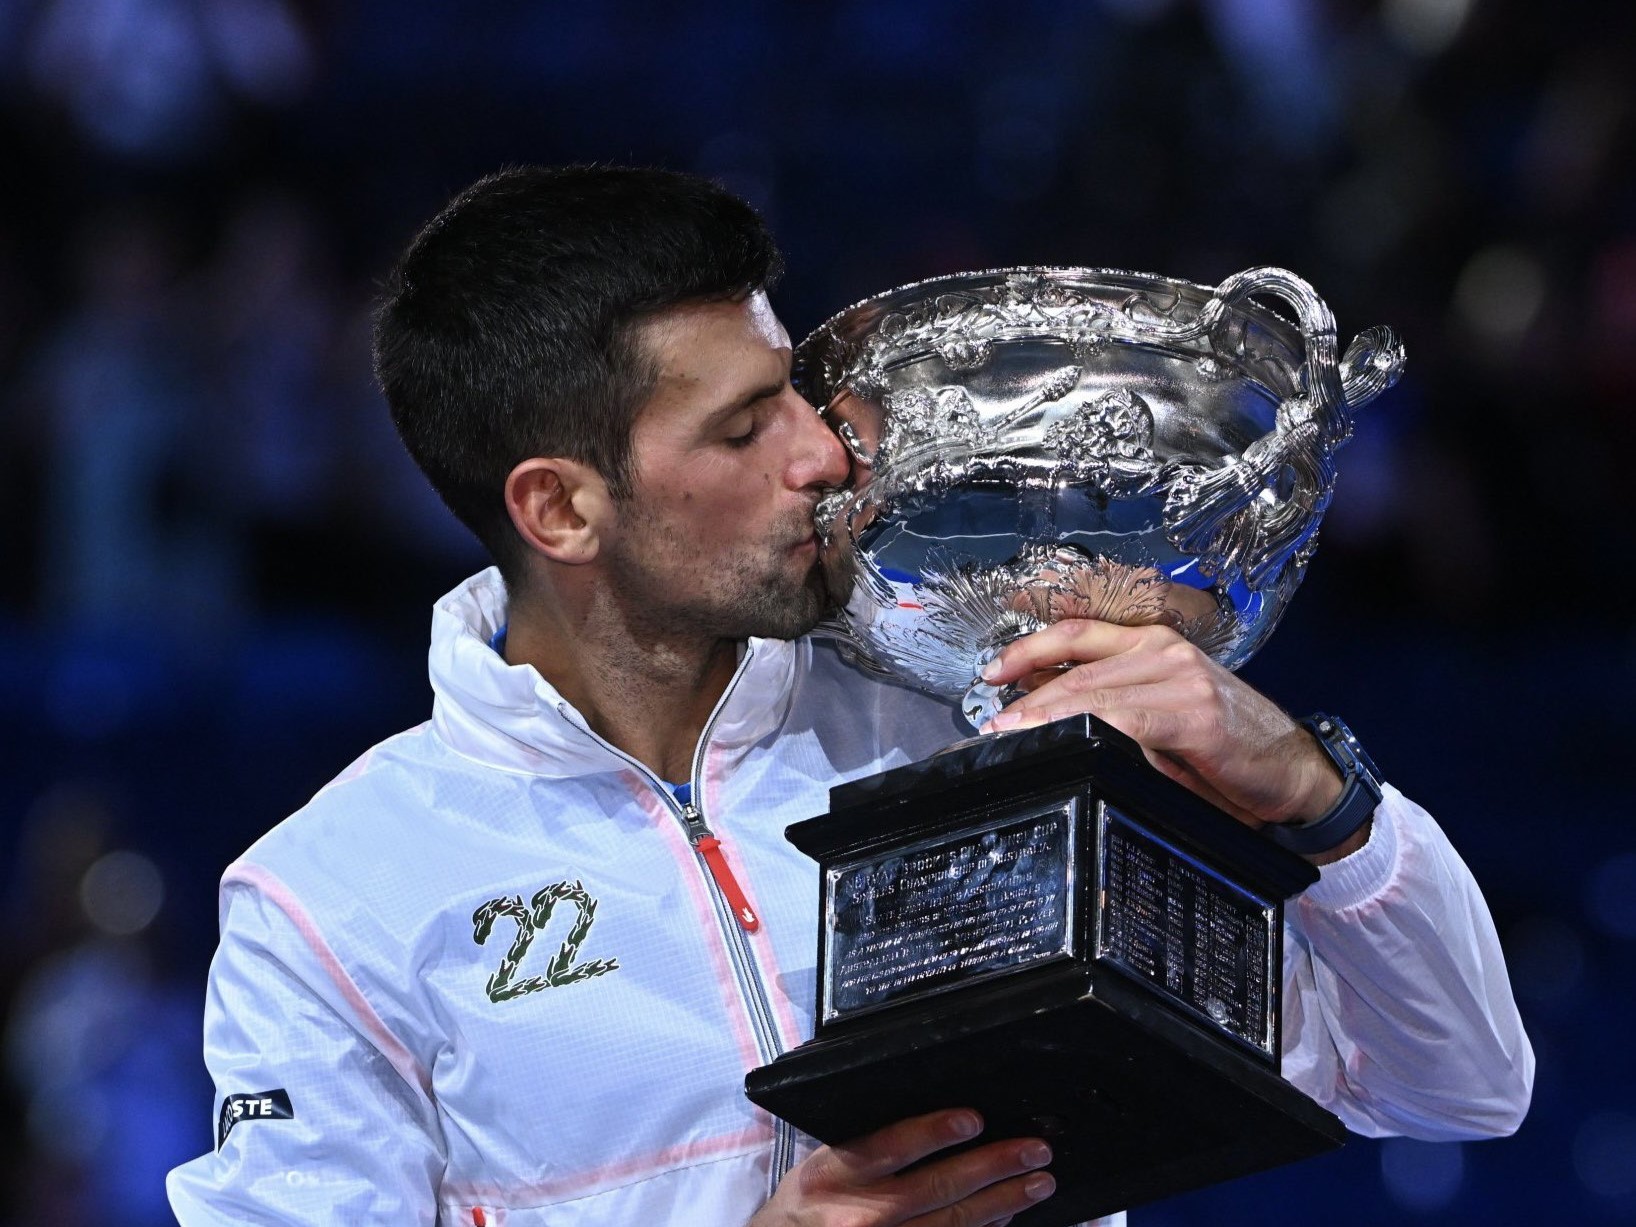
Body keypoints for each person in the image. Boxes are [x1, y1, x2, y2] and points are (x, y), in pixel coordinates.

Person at [167, 165, 1532, 1226]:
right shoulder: (334, 900)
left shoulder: (986, 715)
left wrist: (1308, 790)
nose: (828, 452)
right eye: (745, 425)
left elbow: (1459, 1083)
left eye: (798, 395)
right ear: (562, 508)